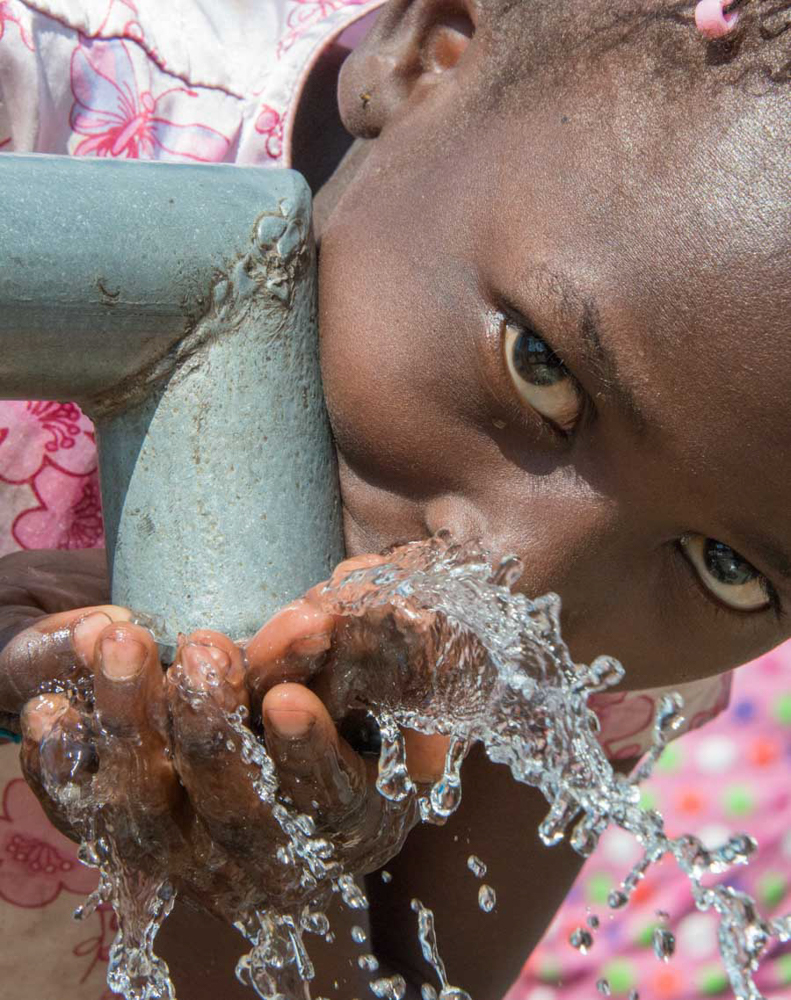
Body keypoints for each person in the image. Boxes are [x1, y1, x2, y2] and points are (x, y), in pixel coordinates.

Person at [0, 0, 788, 997]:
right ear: (426, 56)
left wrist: (257, 874)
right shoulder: (39, 125)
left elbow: (418, 983)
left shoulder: (596, 657)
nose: (518, 580)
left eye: (730, 571)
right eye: (539, 367)